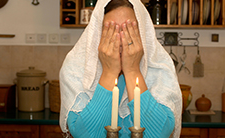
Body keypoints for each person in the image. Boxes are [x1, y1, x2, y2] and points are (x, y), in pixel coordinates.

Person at [59, 0, 182, 137]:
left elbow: (160, 134)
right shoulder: (75, 67)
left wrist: (132, 70)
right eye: (111, 31)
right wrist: (109, 72)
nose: (121, 40)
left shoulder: (159, 66)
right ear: (96, 33)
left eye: (129, 30)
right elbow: (84, 135)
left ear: (142, 32)